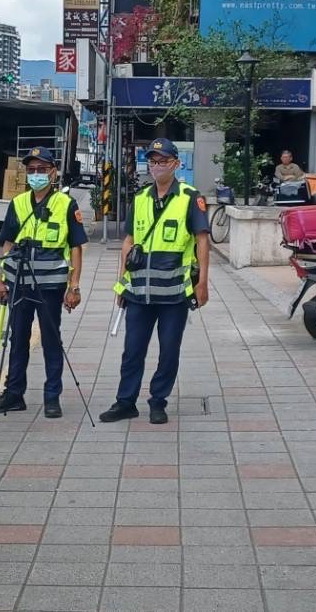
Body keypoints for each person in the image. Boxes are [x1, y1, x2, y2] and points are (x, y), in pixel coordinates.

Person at [102, 138, 211, 426]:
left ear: (176, 164)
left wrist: (202, 284)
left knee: (169, 349)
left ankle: (158, 401)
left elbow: (202, 240)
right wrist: (121, 282)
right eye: (153, 161)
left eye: (163, 161)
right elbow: (128, 242)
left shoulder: (190, 197)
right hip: (139, 291)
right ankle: (125, 402)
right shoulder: (140, 199)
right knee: (132, 349)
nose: (157, 166)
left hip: (174, 292)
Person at [0, 146, 87, 419]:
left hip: (51, 286)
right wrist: (1, 279)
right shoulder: (18, 204)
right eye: (31, 170)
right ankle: (14, 394)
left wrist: (74, 286)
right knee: (18, 339)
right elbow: (7, 243)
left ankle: (52, 397)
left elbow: (77, 246)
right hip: (20, 282)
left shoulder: (66, 204)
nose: (36, 174)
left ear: (53, 172)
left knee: (52, 341)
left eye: (42, 170)